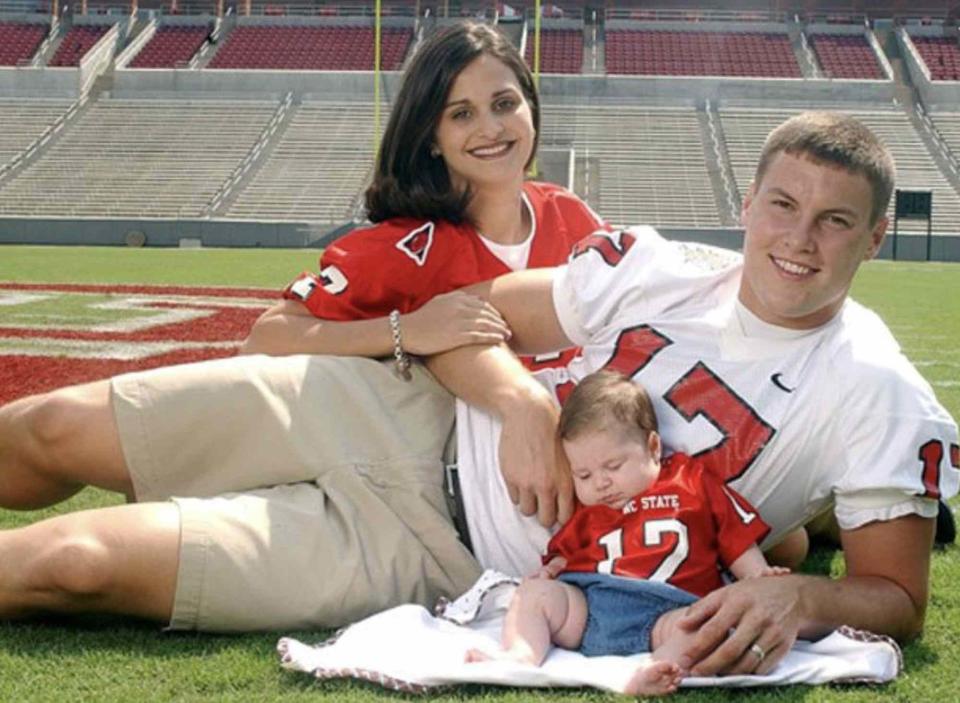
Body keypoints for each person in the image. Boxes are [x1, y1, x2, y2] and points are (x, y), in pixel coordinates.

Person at [0, 22, 605, 631]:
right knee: (53, 426)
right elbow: (268, 337)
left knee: (81, 563)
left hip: (435, 542)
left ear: (530, 107)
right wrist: (406, 331)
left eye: (504, 104)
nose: (491, 128)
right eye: (461, 114)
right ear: (431, 137)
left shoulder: (578, 225)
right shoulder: (408, 245)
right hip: (372, 415)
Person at [426, 111, 959, 677]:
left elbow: (899, 597)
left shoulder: (880, 390)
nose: (800, 240)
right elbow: (459, 315)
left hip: (453, 561)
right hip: (430, 421)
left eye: (835, 221)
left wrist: (802, 597)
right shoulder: (665, 270)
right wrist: (520, 402)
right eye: (783, 205)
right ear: (748, 204)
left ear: (875, 237)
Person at [465, 370, 788, 696]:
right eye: (584, 474)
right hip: (591, 610)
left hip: (669, 609)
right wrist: (553, 569)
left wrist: (759, 575)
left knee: (707, 626)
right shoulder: (589, 509)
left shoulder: (692, 482)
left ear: (653, 446)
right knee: (533, 593)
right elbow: (566, 553)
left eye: (613, 466)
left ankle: (654, 670)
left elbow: (735, 538)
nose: (600, 483)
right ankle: (520, 656)